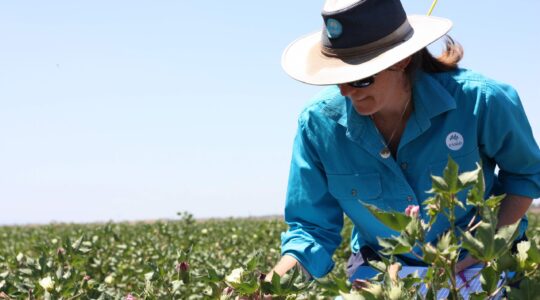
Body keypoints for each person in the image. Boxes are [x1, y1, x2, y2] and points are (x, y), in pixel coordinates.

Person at [268, 0, 540, 281]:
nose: (347, 91)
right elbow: (311, 230)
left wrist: (482, 250)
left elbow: (525, 175)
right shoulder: (317, 124)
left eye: (360, 79)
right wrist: (272, 286)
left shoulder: (481, 100)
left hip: (484, 260)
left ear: (401, 60)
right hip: (383, 269)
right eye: (339, 78)